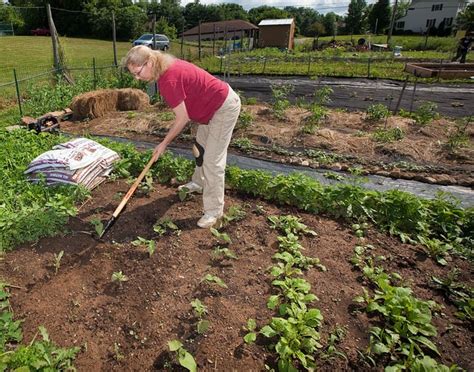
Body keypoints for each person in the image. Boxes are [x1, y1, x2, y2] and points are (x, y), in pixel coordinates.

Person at [123, 45, 241, 228]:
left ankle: (214, 212)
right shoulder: (164, 67)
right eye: (134, 74)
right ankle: (199, 182)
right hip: (210, 109)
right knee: (200, 150)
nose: (137, 78)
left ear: (150, 62)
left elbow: (182, 118)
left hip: (223, 108)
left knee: (212, 161)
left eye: (138, 72)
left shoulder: (168, 79)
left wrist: (163, 144)